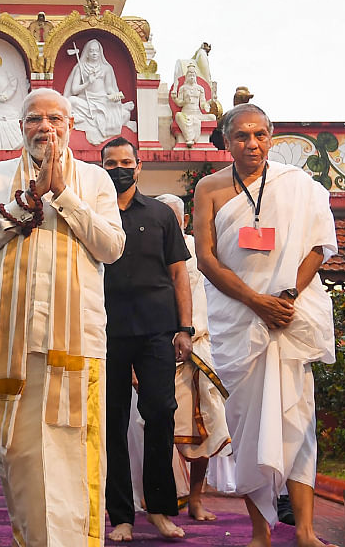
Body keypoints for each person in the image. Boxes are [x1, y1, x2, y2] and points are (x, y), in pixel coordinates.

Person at [0, 88, 126, 547]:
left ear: (71, 127)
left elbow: (111, 248)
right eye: (34, 119)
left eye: (55, 119)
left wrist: (63, 195)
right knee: (19, 454)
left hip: (75, 339)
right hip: (12, 341)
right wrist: (27, 200)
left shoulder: (95, 180)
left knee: (74, 451)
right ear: (21, 128)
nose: (45, 128)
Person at [192, 104, 337, 547]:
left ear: (271, 138)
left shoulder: (298, 186)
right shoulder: (210, 188)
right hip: (240, 322)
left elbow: (318, 245)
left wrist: (286, 297)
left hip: (289, 320)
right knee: (248, 425)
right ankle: (260, 532)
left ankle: (307, 531)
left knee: (297, 419)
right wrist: (257, 302)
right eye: (241, 136)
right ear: (226, 140)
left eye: (259, 135)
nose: (250, 144)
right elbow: (206, 257)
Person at [100, 137, 194, 542]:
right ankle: (120, 515)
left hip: (157, 329)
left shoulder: (160, 214)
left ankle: (159, 508)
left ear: (138, 167)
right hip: (105, 332)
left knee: (160, 413)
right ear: (100, 167)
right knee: (112, 423)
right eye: (110, 163)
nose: (118, 169)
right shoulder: (92, 214)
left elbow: (179, 275)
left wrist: (184, 328)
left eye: (125, 162)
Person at [153, 193, 231, 521]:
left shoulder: (199, 253)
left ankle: (196, 499)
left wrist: (190, 332)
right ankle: (163, 501)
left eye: (174, 218)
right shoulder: (144, 250)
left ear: (183, 220)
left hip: (198, 351)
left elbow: (208, 298)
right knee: (157, 429)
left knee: (207, 427)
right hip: (153, 353)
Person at [62, 39, 135, 144]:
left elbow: (109, 88)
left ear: (100, 52)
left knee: (125, 114)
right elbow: (74, 90)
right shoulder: (80, 67)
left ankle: (120, 109)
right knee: (71, 101)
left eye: (97, 51)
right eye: (91, 51)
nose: (94, 53)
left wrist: (116, 97)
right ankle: (86, 119)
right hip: (85, 102)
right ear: (87, 53)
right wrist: (88, 83)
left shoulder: (106, 68)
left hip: (103, 101)